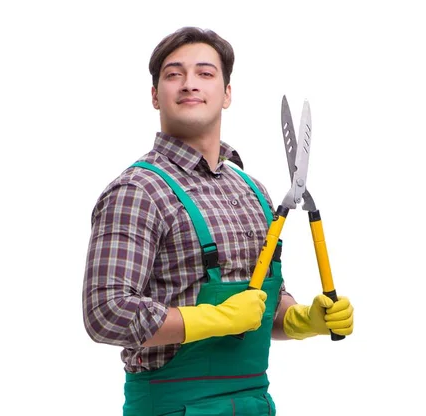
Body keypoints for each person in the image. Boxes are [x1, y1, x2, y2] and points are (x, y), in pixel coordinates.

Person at [82, 26, 354, 416]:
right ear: (155, 95)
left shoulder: (253, 191)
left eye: (206, 73)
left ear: (227, 93)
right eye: (174, 74)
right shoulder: (138, 191)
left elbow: (260, 307)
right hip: (171, 406)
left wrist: (298, 319)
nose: (190, 83)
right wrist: (213, 318)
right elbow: (105, 313)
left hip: (254, 403)